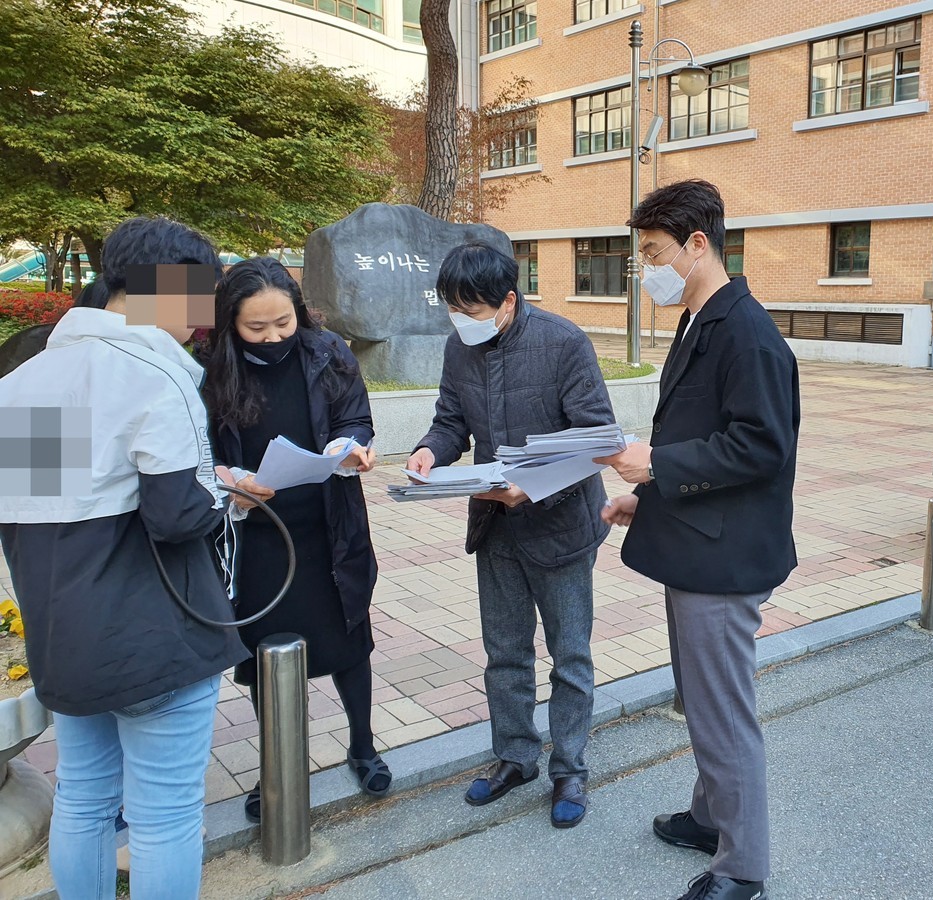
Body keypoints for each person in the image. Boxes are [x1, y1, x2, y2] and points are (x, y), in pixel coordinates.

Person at [0, 216, 247, 900]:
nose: (205, 316)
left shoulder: (25, 378)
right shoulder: (154, 372)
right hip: (155, 632)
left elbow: (37, 509)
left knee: (82, 799)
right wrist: (225, 498)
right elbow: (175, 517)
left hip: (62, 632)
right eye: (202, 294)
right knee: (164, 814)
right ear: (167, 288)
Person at [596, 179, 800, 900]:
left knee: (720, 709)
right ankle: (711, 815)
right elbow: (700, 436)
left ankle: (742, 865)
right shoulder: (700, 316)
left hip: (725, 556)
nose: (646, 267)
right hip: (698, 539)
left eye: (653, 252)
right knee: (703, 694)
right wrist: (644, 496)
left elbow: (761, 448)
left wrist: (656, 464)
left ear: (698, 244)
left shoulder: (746, 332)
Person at [407, 241, 614, 828]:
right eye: (453, 309)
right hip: (495, 523)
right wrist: (429, 450)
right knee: (504, 653)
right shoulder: (459, 346)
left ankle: (570, 766)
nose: (462, 321)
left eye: (472, 310)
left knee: (570, 654)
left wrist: (535, 486)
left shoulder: (563, 342)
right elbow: (451, 418)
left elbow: (597, 438)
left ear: (507, 300)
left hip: (561, 525)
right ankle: (516, 755)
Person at [200, 256, 386, 821]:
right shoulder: (207, 368)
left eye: (283, 321)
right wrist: (229, 481)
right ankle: (279, 764)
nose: (274, 336)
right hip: (257, 528)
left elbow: (356, 419)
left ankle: (363, 744)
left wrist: (352, 447)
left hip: (329, 523)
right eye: (257, 327)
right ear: (230, 322)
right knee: (267, 653)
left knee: (350, 639)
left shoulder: (328, 352)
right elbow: (200, 452)